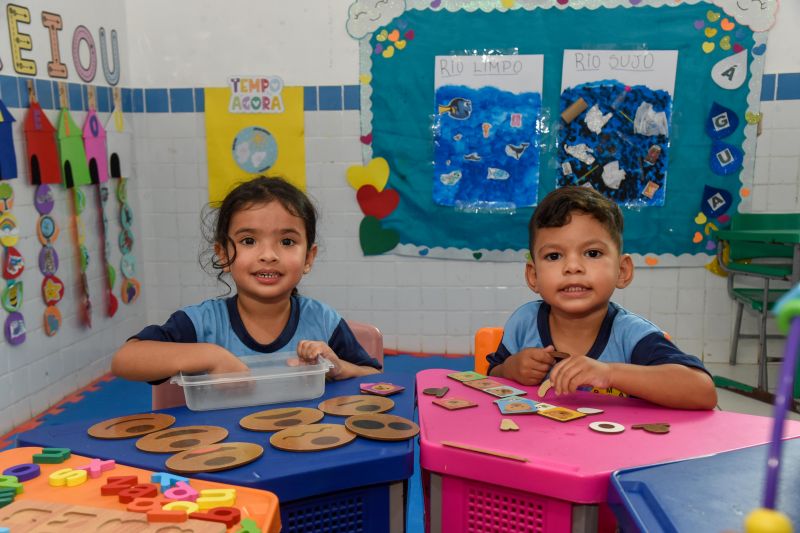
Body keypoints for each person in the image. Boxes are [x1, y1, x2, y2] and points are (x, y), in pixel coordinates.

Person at [112, 176, 382, 383]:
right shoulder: (202, 324)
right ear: (223, 253)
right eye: (248, 241)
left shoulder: (324, 321)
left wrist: (338, 368)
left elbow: (376, 380)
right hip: (224, 452)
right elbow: (125, 359)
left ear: (309, 258)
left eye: (287, 241)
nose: (268, 255)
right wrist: (211, 356)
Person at [487, 186, 717, 409]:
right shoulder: (524, 322)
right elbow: (489, 378)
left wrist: (610, 373)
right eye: (554, 255)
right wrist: (510, 369)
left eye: (592, 253)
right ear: (534, 275)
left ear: (622, 271)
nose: (573, 266)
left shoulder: (632, 335)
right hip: (534, 444)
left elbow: (703, 391)